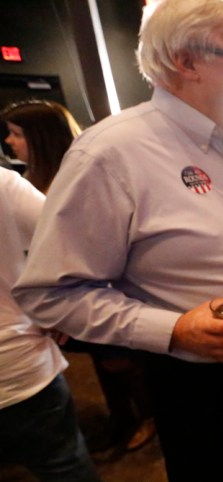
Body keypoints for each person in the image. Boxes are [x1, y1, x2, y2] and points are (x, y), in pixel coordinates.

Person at [13, 0, 223, 480]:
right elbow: (49, 294)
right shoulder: (110, 153)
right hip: (203, 387)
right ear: (186, 62)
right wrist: (173, 330)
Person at [2, 99, 157, 454]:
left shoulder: (72, 178)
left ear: (42, 137)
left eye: (17, 134)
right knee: (106, 366)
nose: (10, 142)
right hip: (68, 293)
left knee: (119, 362)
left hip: (95, 289)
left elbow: (80, 245)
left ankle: (144, 417)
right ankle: (123, 418)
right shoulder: (30, 179)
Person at [0, 167, 99, 482]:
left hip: (15, 362)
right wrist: (58, 306)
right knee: (63, 466)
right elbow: (74, 242)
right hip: (16, 362)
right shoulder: (4, 184)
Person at [2, 99, 81, 193]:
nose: (8, 140)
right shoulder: (32, 173)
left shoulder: (71, 182)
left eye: (17, 134)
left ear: (43, 138)